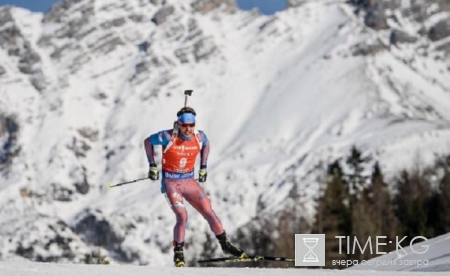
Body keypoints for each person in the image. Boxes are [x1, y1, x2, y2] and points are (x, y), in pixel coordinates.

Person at [144, 106, 246, 267]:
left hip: (189, 181)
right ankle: (178, 254)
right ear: (179, 124)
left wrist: (203, 167)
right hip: (171, 183)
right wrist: (152, 165)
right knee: (182, 216)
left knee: (209, 211)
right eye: (185, 125)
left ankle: (226, 245)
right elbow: (148, 142)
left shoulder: (199, 137)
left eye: (191, 125)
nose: (188, 129)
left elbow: (206, 144)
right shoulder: (167, 136)